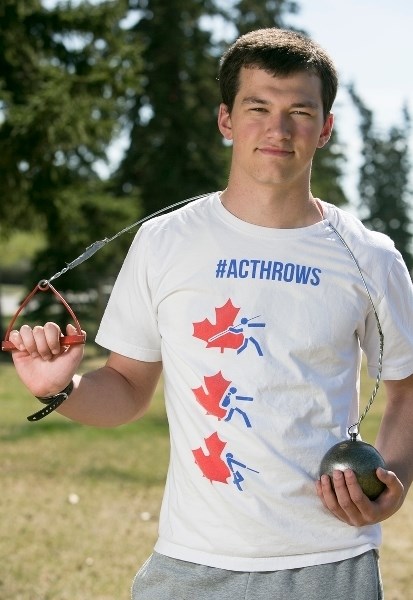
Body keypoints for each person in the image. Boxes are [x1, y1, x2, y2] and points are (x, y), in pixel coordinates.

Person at [7, 28, 413, 600]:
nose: (278, 129)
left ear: (325, 127)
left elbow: (406, 391)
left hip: (330, 561)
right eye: (258, 108)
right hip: (191, 565)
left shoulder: (370, 255)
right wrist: (61, 388)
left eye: (300, 110)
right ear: (225, 119)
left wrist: (392, 478)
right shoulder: (164, 241)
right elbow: (125, 387)